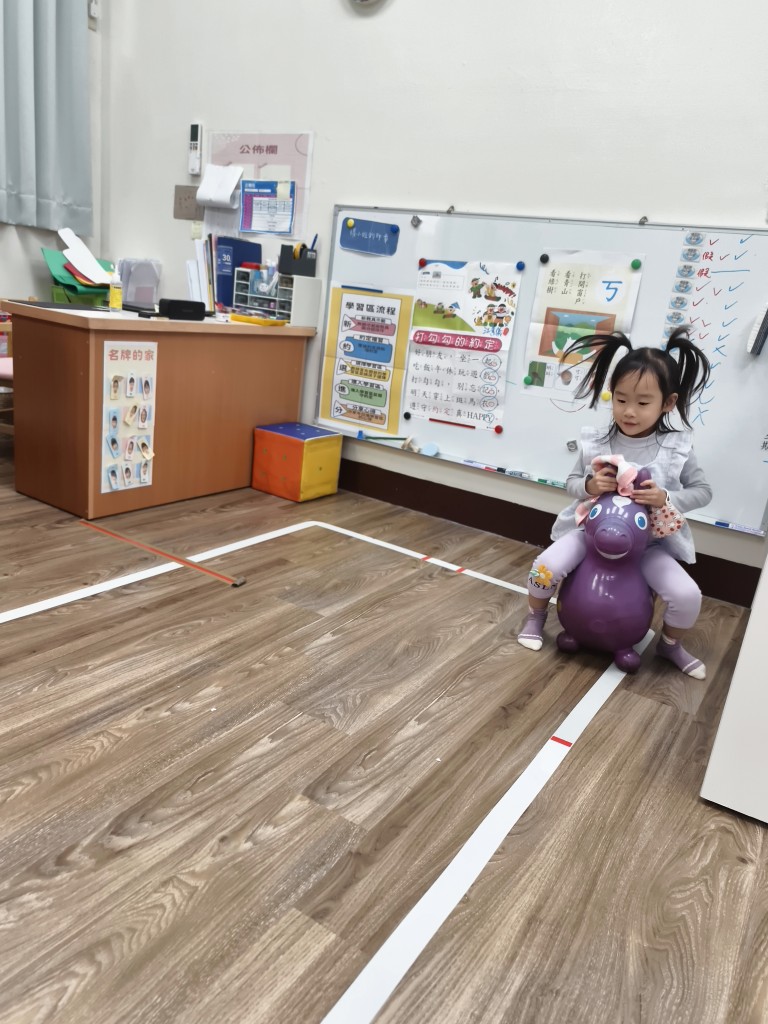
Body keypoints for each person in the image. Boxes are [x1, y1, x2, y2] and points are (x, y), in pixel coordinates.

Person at [517, 326, 712, 679]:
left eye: (642, 403)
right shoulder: (596, 441)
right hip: (590, 536)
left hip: (649, 545)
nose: (629, 411)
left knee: (687, 594)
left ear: (668, 403)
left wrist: (665, 497)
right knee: (545, 565)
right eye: (621, 400)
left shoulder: (677, 447)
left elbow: (703, 491)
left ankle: (670, 645)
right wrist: (590, 485)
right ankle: (536, 617)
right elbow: (571, 483)